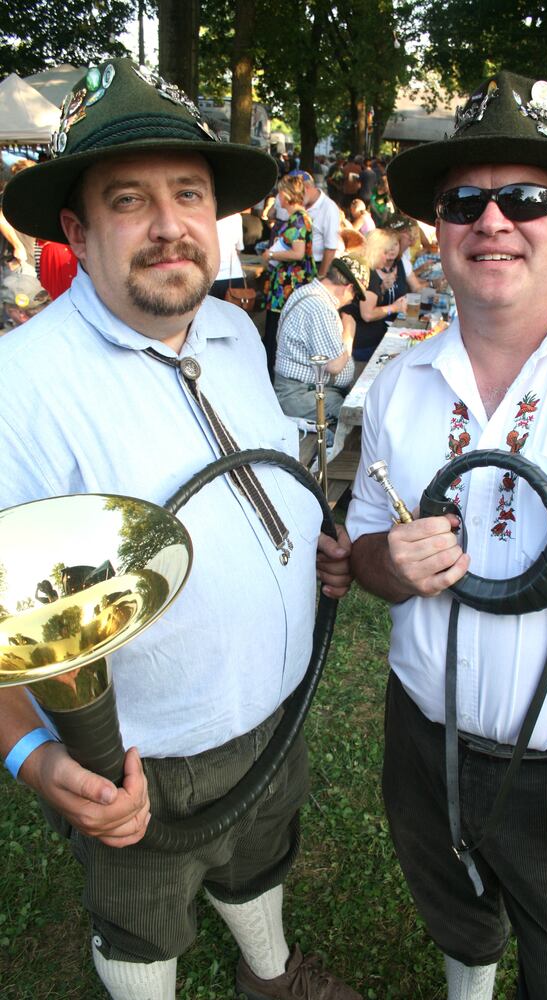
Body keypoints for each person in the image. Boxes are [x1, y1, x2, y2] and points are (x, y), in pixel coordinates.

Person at [0, 58, 360, 1000]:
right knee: (142, 920)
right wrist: (35, 760)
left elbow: (267, 488)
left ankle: (270, 979)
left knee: (259, 860)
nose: (169, 226)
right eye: (130, 200)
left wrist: (299, 555)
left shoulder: (235, 332)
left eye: (189, 195)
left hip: (274, 708)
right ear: (77, 230)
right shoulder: (20, 388)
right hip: (139, 759)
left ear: (216, 216)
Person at [346, 68, 547, 1000]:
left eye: (527, 198)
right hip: (422, 740)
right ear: (438, 230)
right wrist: (387, 565)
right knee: (452, 904)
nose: (491, 221)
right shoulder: (401, 382)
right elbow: (366, 546)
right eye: (463, 201)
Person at [274, 255, 368, 422]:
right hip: (300, 396)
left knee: (362, 403)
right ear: (348, 288)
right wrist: (349, 332)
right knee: (360, 418)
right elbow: (334, 365)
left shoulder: (309, 292)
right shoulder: (319, 307)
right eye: (355, 295)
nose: (352, 300)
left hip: (309, 390)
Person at [262, 174, 316, 377]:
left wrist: (271, 254)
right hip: (289, 283)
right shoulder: (300, 218)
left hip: (288, 286)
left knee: (276, 333)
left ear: (285, 195)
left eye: (279, 193)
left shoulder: (299, 219)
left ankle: (273, 376)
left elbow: (298, 252)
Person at [344, 228, 410, 368]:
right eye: (385, 253)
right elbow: (367, 314)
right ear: (376, 251)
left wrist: (382, 289)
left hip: (360, 343)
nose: (387, 258)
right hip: (364, 347)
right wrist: (394, 307)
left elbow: (361, 299)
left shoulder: (362, 269)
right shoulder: (369, 274)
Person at [209, 211, 245, 300]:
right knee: (233, 312)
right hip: (233, 275)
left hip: (209, 276)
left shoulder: (203, 214)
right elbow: (239, 247)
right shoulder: (236, 216)